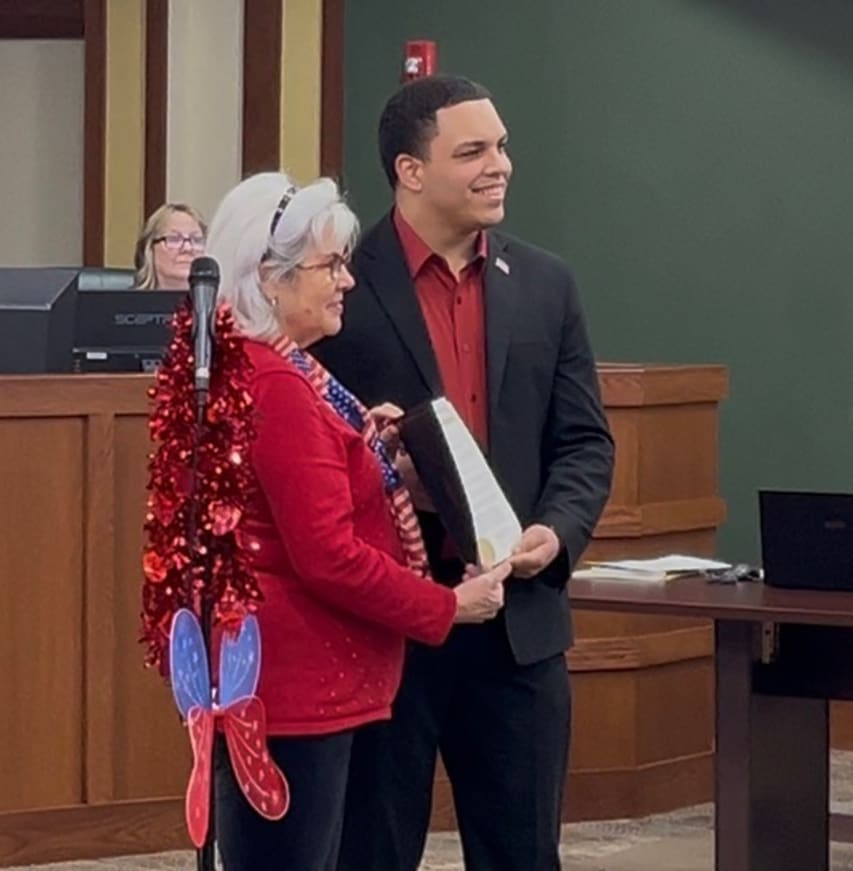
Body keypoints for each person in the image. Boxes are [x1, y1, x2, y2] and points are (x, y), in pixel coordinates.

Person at [311, 75, 615, 871]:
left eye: (502, 146)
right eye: (473, 150)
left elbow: (585, 442)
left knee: (522, 854)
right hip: (390, 626)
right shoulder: (336, 287)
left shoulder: (547, 283)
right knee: (368, 852)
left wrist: (560, 528)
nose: (500, 165)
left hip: (519, 627)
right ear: (411, 170)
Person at [204, 171, 512, 871]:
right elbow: (327, 554)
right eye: (330, 265)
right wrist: (446, 604)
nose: (346, 280)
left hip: (291, 679)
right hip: (298, 687)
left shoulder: (275, 369)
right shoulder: (278, 385)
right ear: (270, 279)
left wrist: (378, 463)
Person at [133, 202, 207, 289]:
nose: (188, 248)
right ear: (150, 249)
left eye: (196, 240)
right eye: (174, 239)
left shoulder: (220, 301)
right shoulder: (125, 302)